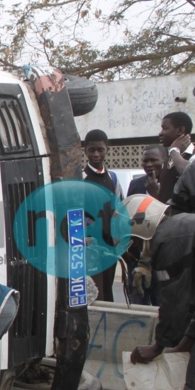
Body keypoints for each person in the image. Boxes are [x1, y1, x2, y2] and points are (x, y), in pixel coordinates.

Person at [124, 193, 195, 390]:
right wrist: (190, 337)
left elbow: (175, 303)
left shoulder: (167, 240)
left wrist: (158, 346)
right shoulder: (186, 224)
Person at [82, 129, 123, 302]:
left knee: (108, 289)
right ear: (85, 150)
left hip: (110, 246)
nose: (96, 154)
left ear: (107, 149)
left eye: (100, 149)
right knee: (95, 292)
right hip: (90, 246)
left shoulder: (113, 178)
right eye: (92, 150)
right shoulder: (80, 178)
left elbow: (120, 209)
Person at [124, 145, 166, 305]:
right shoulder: (136, 184)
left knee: (161, 303)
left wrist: (157, 193)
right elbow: (128, 215)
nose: (148, 164)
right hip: (138, 256)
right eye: (145, 160)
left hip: (162, 256)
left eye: (153, 160)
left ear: (164, 161)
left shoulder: (172, 183)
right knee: (138, 302)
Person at [156, 111, 195, 202]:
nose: (160, 133)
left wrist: (174, 150)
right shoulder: (168, 158)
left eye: (165, 128)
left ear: (180, 130)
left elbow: (188, 173)